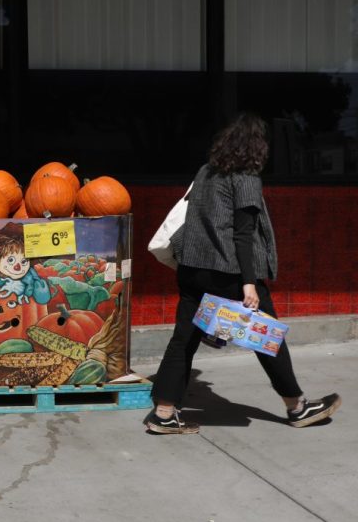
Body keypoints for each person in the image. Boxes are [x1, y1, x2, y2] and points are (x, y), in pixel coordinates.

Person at [146, 112, 341, 434]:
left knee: (183, 341)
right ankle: (298, 407)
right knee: (267, 337)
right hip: (228, 273)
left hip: (192, 268)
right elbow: (243, 234)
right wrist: (249, 283)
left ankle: (163, 414)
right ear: (258, 146)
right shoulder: (246, 177)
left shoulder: (206, 172)